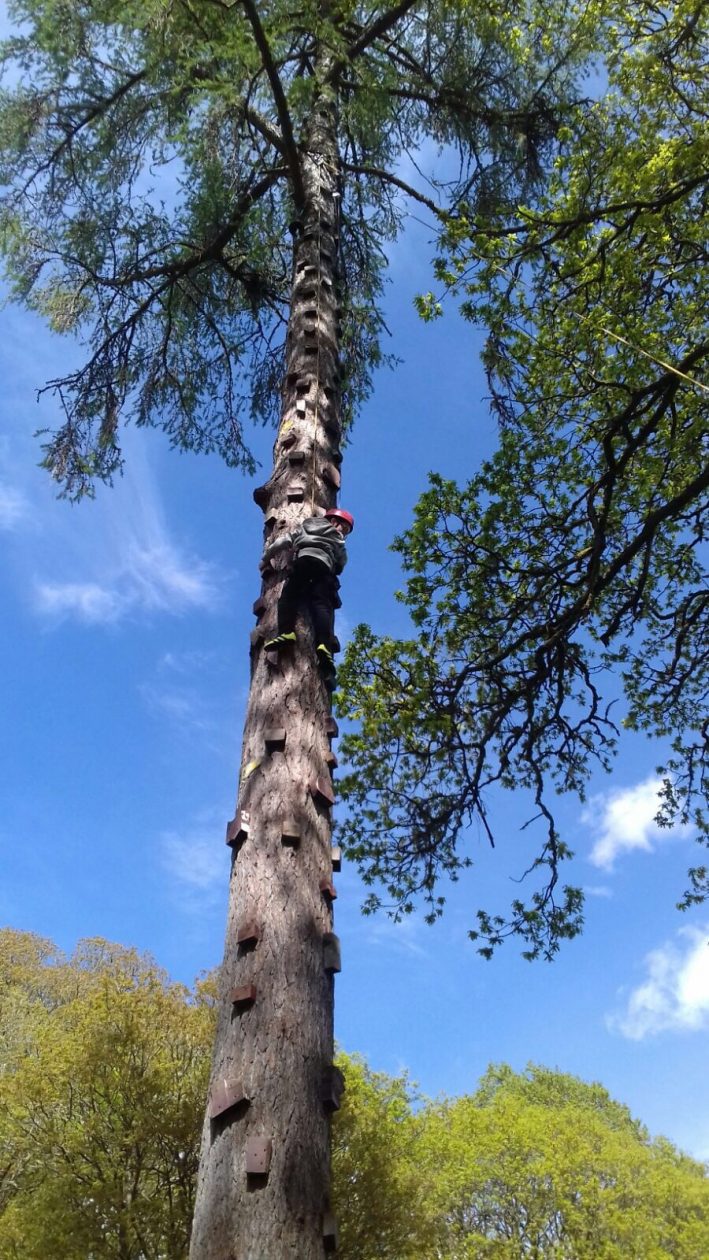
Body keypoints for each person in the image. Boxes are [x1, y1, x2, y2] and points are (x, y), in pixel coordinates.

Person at [261, 508, 354, 683]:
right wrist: (337, 566)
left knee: (288, 596)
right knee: (321, 604)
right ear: (334, 522)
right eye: (344, 528)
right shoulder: (338, 539)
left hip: (304, 560)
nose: (343, 532)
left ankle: (286, 632)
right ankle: (323, 643)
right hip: (324, 567)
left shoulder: (306, 526)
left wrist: (266, 557)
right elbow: (341, 561)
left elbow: (284, 541)